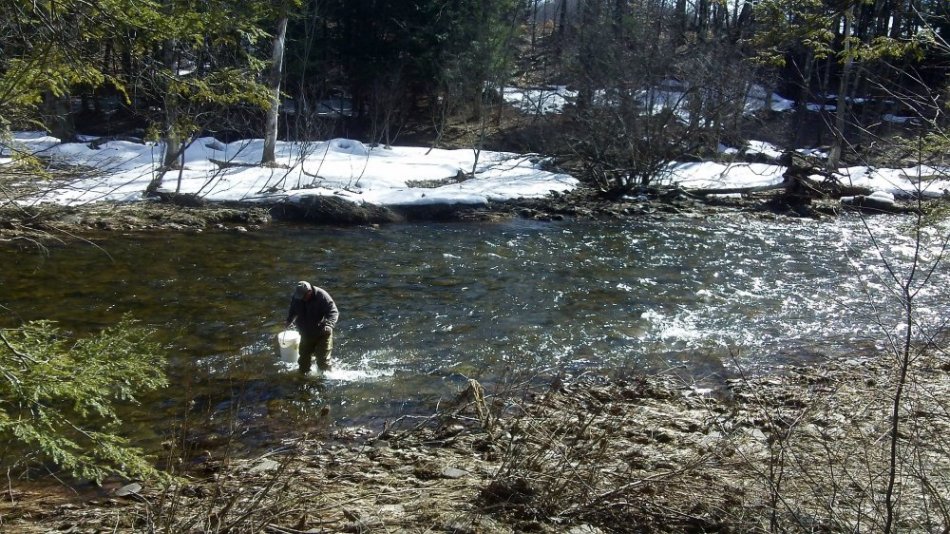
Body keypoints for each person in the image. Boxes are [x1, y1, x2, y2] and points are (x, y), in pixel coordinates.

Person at [286, 280, 339, 374]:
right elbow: (293, 309)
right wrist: (289, 320)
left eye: (303, 297)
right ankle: (303, 380)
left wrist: (329, 325)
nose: (301, 299)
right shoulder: (297, 296)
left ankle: (326, 382)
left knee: (323, 362)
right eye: (300, 297)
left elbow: (333, 312)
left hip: (323, 333)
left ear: (309, 292)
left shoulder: (322, 296)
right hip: (305, 333)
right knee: (303, 362)